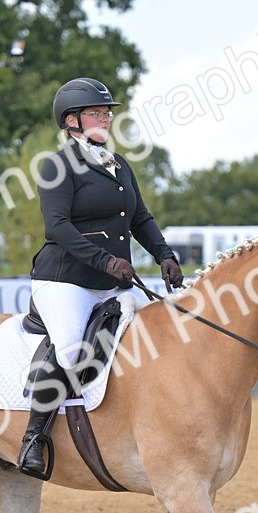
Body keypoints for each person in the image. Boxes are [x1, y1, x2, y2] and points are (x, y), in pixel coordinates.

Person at [18, 77, 185, 473]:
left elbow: (139, 218)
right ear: (71, 120)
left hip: (113, 284)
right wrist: (107, 261)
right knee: (70, 349)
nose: (107, 118)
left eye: (107, 112)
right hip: (65, 281)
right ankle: (33, 438)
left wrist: (165, 254)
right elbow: (57, 227)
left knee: (160, 335)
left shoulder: (117, 165)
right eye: (97, 112)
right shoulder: (57, 166)